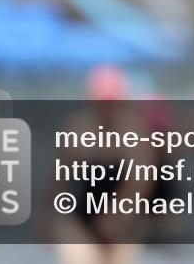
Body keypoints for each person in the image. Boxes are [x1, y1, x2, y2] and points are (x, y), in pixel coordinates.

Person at [52, 64, 155, 264]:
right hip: (81, 217)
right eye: (102, 102)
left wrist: (119, 213)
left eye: (111, 102)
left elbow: (141, 181)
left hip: (123, 219)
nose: (107, 107)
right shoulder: (77, 128)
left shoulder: (134, 131)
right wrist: (50, 215)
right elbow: (60, 179)